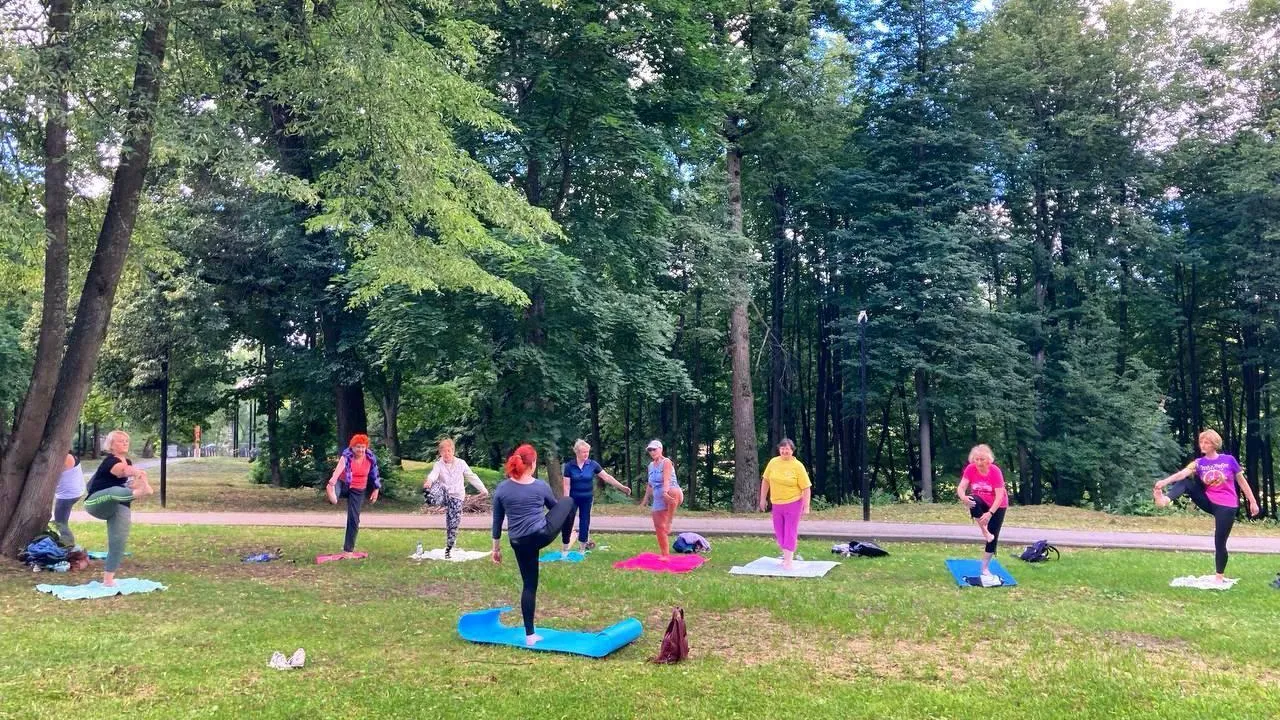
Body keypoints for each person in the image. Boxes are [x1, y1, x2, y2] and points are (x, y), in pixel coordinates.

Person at [490, 444, 578, 646]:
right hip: (540, 535)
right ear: (533, 463)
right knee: (568, 502)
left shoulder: (502, 489)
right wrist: (566, 525)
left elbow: (497, 522)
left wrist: (496, 549)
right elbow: (557, 509)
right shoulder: (540, 486)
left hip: (518, 542)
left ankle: (530, 636)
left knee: (529, 586)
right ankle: (566, 544)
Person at [1154, 429, 1260, 584]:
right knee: (1185, 483)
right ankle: (1165, 500)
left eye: (1207, 442)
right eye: (1201, 442)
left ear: (1214, 444)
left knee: (1219, 541)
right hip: (1209, 501)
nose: (1202, 445)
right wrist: (1164, 482)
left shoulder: (1229, 460)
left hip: (1227, 505)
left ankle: (1219, 576)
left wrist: (1253, 501)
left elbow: (1242, 482)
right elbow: (1182, 474)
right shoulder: (1199, 463)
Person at [83, 431, 153, 586]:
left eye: (127, 440)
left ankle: (108, 580)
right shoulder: (110, 461)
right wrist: (136, 473)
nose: (125, 443)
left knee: (118, 542)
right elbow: (122, 471)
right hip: (97, 502)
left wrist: (142, 480)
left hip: (120, 504)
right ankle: (139, 494)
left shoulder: (127, 460)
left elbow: (131, 484)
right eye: (121, 441)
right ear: (111, 445)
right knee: (114, 492)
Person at [562, 438, 631, 554]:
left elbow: (607, 477)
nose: (586, 454)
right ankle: (564, 549)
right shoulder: (569, 466)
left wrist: (622, 487)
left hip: (587, 498)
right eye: (584, 452)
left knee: (585, 521)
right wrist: (566, 501)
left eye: (587, 452)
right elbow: (566, 486)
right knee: (568, 521)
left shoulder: (592, 464)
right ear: (577, 452)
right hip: (573, 498)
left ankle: (582, 549)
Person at [424, 438, 489, 558]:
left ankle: (450, 545)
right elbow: (433, 474)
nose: (446, 454)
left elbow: (471, 476)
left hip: (457, 496)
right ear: (440, 453)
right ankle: (450, 542)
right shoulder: (438, 464)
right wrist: (429, 481)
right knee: (433, 491)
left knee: (453, 520)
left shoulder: (461, 463)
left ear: (453, 451)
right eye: (444, 452)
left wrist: (483, 489)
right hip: (444, 495)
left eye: (449, 451)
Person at [956, 444, 1007, 587]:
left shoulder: (995, 471)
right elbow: (961, 487)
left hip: (998, 505)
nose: (979, 463)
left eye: (982, 460)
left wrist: (990, 513)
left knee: (993, 537)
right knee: (972, 500)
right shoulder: (970, 469)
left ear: (988, 460)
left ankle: (985, 568)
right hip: (980, 500)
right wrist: (963, 498)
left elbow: (1000, 496)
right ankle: (985, 532)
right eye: (976, 459)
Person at [758, 438, 811, 570]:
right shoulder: (773, 462)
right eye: (782, 448)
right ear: (779, 450)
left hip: (793, 503)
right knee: (779, 531)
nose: (784, 451)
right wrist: (762, 499)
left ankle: (789, 561)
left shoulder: (798, 466)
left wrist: (806, 506)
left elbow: (806, 487)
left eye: (787, 449)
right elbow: (765, 481)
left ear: (792, 450)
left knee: (790, 531)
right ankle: (785, 556)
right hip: (776, 503)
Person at [325, 434, 381, 558]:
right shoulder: (347, 456)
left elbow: (375, 474)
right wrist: (332, 482)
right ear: (352, 447)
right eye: (358, 447)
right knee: (334, 500)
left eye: (363, 447)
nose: (360, 450)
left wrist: (376, 489)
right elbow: (339, 470)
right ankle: (331, 492)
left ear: (366, 447)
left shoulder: (370, 457)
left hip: (358, 489)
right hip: (343, 483)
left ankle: (348, 550)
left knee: (354, 519)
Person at [639, 439, 683, 559]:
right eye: (650, 450)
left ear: (660, 449)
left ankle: (669, 521)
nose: (652, 452)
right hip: (659, 497)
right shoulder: (651, 466)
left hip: (672, 492)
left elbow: (667, 479)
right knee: (658, 525)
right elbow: (650, 484)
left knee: (672, 491)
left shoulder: (666, 462)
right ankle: (665, 554)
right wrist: (645, 500)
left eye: (654, 449)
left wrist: (665, 492)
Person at [52, 452, 84, 547]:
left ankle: (69, 545)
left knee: (60, 523)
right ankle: (67, 544)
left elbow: (52, 473)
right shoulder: (69, 455)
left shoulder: (66, 457)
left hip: (67, 495)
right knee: (61, 522)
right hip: (71, 493)